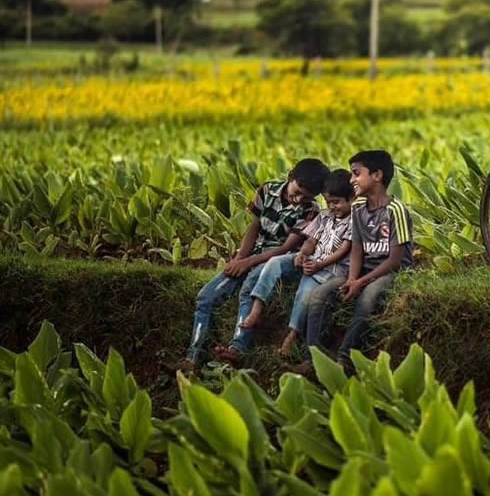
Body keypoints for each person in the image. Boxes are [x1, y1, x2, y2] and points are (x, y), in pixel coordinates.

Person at [168, 158, 330, 375]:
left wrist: (248, 262)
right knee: (205, 297)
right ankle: (192, 357)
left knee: (248, 291)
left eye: (306, 197)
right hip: (251, 255)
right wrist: (240, 257)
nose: (299, 199)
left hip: (273, 260)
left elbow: (284, 249)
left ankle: (237, 349)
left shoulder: (311, 210)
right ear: (291, 176)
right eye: (298, 191)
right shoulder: (267, 190)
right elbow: (254, 227)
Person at [297, 150, 414, 374]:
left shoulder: (396, 210)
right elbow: (357, 247)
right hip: (363, 269)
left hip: (391, 270)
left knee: (368, 299)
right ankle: (313, 360)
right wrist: (351, 278)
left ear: (377, 175)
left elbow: (395, 260)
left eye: (356, 174)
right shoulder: (359, 206)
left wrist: (361, 282)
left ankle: (345, 357)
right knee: (319, 295)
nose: (351, 180)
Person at [219, 169, 354, 361]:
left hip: (329, 269)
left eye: (337, 202)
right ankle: (257, 307)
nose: (332, 206)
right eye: (329, 202)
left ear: (352, 198)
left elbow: (344, 250)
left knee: (304, 294)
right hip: (311, 261)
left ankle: (291, 334)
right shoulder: (324, 216)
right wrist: (303, 254)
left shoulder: (355, 220)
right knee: (274, 262)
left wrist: (318, 263)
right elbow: (310, 240)